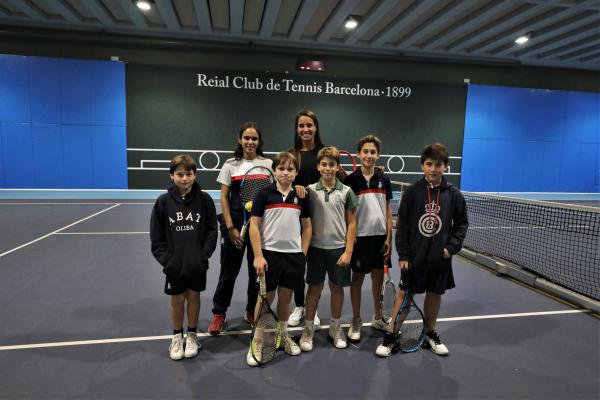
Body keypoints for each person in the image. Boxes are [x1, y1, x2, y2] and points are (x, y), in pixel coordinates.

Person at [375, 143, 468, 357]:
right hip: (414, 258)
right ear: (422, 166)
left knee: (434, 295)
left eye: (438, 165)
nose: (433, 169)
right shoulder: (412, 192)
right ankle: (391, 336)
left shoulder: (453, 194)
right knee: (404, 295)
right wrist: (404, 255)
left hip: (440, 259)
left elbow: (461, 224)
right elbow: (404, 226)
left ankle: (429, 333)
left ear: (446, 167)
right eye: (429, 164)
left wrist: (450, 248)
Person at [246, 151, 312, 366]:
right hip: (269, 257)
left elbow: (307, 227)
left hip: (293, 257)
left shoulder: (302, 196)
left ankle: (283, 335)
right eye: (281, 168)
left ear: (296, 173)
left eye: (290, 169)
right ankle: (257, 340)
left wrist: (302, 253)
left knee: (286, 298)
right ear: (274, 171)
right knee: (264, 300)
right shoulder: (264, 194)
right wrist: (258, 255)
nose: (285, 172)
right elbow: (254, 226)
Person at [150, 155, 218, 360]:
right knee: (177, 299)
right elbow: (156, 237)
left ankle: (192, 335)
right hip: (175, 265)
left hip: (196, 262)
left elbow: (212, 231)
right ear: (172, 176)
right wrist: (167, 261)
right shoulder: (163, 202)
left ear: (195, 175)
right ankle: (176, 337)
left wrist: (203, 255)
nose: (185, 178)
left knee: (194, 297)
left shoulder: (204, 200)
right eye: (180, 174)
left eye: (189, 174)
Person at [208, 122, 273, 335]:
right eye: (247, 138)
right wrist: (230, 227)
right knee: (228, 272)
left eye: (254, 138)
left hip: (260, 227)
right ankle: (219, 314)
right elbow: (224, 198)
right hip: (235, 225)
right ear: (240, 139)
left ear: (259, 142)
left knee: (257, 271)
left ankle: (250, 311)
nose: (250, 142)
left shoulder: (268, 164)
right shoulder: (230, 165)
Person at [299, 146, 357, 351]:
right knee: (314, 289)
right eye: (324, 164)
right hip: (315, 249)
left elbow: (351, 223)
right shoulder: (309, 190)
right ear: (318, 167)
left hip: (338, 250)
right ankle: (308, 329)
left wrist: (348, 250)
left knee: (336, 288)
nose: (328, 168)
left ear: (337, 167)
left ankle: (335, 327)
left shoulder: (347, 192)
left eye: (332, 165)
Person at [344, 135, 393, 342]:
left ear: (378, 155)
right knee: (357, 279)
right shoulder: (351, 180)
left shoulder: (384, 179)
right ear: (359, 154)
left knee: (378, 279)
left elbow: (389, 209)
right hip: (360, 239)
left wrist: (389, 237)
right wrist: (350, 237)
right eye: (366, 151)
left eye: (373, 152)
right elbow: (348, 213)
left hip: (380, 238)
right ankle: (356, 319)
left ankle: (378, 317)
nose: (369, 155)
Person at [288, 109, 328, 327]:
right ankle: (299, 305)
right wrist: (296, 188)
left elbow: (341, 177)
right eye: (301, 125)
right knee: (297, 263)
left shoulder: (324, 153)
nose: (305, 129)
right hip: (295, 219)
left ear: (315, 127)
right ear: (297, 129)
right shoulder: (292, 155)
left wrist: (372, 172)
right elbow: (283, 181)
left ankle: (312, 307)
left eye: (309, 125)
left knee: (314, 266)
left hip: (320, 218)